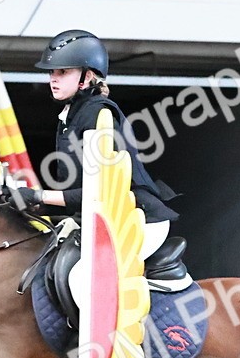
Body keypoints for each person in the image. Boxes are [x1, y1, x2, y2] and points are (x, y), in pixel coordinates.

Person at [18, 29, 187, 276]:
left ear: (86, 77)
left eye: (63, 72)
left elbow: (99, 193)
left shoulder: (98, 115)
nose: (53, 79)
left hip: (138, 221)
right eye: (52, 72)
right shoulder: (70, 117)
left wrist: (38, 196)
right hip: (107, 218)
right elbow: (77, 196)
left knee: (85, 279)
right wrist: (29, 204)